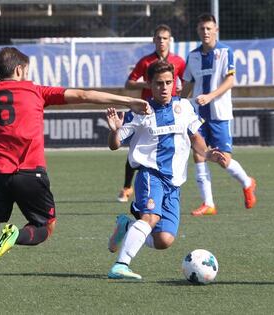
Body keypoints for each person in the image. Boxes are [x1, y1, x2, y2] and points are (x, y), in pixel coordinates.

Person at [0, 47, 151, 294]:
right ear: (19, 70)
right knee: (45, 227)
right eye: (26, 71)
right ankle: (15, 236)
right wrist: (130, 101)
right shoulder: (35, 91)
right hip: (30, 173)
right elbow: (83, 95)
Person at [106, 60, 225, 280]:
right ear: (149, 84)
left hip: (174, 183)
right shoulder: (140, 111)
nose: (164, 87)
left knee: (164, 240)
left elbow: (195, 137)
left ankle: (128, 225)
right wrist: (114, 131)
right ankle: (120, 265)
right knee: (150, 216)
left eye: (168, 82)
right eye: (159, 83)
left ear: (174, 83)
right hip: (150, 174)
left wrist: (207, 153)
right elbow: (114, 145)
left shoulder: (185, 107)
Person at [181, 13, 257, 216]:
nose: (205, 32)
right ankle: (209, 203)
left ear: (216, 30)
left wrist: (210, 96)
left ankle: (247, 182)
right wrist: (176, 104)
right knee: (198, 154)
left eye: (208, 28)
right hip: (198, 115)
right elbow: (187, 84)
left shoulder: (225, 52)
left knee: (223, 160)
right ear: (197, 31)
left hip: (219, 114)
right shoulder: (193, 56)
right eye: (201, 29)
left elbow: (230, 81)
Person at [117, 23, 186, 203]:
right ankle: (127, 187)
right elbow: (129, 83)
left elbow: (186, 82)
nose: (161, 41)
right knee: (135, 148)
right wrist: (146, 85)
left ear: (169, 40)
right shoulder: (146, 62)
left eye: (165, 38)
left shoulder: (178, 61)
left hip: (168, 111)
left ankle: (165, 186)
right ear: (153, 40)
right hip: (147, 111)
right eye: (158, 38)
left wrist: (181, 97)